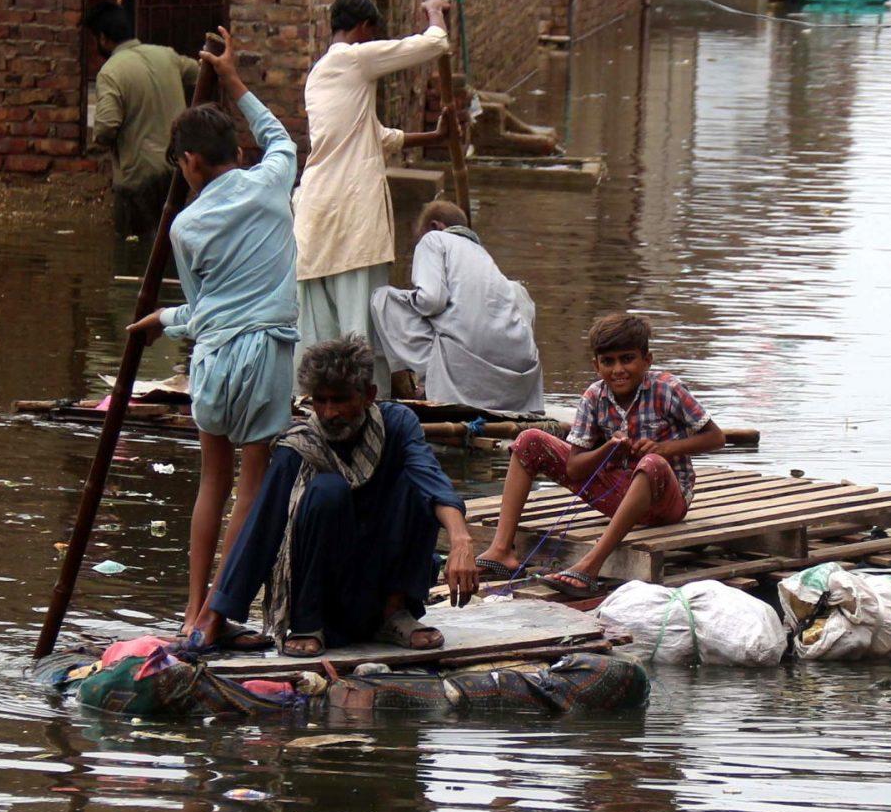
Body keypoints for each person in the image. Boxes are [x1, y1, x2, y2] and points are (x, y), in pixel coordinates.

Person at [124, 26, 298, 643]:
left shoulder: (186, 226)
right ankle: (216, 617)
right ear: (234, 152)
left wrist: (163, 320)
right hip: (264, 354)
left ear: (190, 164)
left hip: (214, 361)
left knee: (211, 483)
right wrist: (234, 82)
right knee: (250, 486)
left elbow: (201, 312)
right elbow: (281, 138)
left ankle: (193, 608)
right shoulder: (273, 179)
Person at [196, 336, 481, 659]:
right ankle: (309, 624)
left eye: (340, 400)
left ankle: (394, 614)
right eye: (321, 401)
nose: (329, 413)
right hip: (325, 602)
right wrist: (215, 617)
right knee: (327, 491)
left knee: (414, 484)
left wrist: (461, 541)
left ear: (369, 395)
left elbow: (432, 479)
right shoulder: (298, 447)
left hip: (380, 588)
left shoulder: (397, 426)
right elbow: (262, 529)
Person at [476, 311, 725, 597]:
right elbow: (575, 468)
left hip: (665, 503)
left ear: (647, 360)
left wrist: (663, 448)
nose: (618, 369)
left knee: (651, 462)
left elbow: (715, 438)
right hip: (619, 495)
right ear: (596, 365)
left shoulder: (668, 389)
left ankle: (590, 565)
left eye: (627, 359)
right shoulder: (594, 397)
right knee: (528, 439)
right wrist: (606, 449)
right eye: (608, 362)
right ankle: (501, 549)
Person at [293, 0, 452, 391]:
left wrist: (433, 135)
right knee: (361, 316)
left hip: (318, 208)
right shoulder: (352, 58)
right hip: (349, 211)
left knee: (323, 322)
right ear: (363, 28)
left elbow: (377, 136)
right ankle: (366, 402)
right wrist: (434, 13)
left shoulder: (321, 74)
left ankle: (315, 397)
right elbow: (433, 43)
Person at [369, 200, 546, 413]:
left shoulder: (434, 240)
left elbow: (431, 301)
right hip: (519, 383)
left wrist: (411, 299)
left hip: (465, 371)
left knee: (383, 298)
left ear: (436, 226)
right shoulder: (484, 258)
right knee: (516, 291)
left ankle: (413, 384)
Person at [84, 3, 201, 259]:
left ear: (103, 38)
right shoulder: (167, 56)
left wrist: (96, 145)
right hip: (177, 171)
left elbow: (106, 127)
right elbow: (201, 71)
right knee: (171, 248)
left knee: (134, 253)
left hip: (138, 177)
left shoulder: (111, 72)